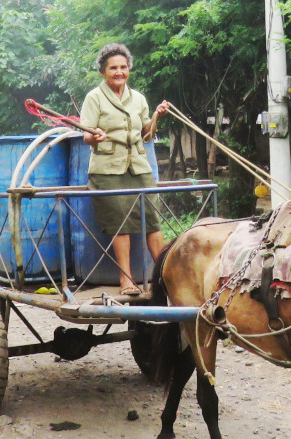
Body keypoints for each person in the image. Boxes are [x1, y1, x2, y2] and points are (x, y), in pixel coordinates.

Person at [80, 43, 170, 296]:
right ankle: (126, 278)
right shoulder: (94, 98)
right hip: (108, 169)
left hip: (139, 166)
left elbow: (146, 136)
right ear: (103, 72)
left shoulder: (138, 98)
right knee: (121, 224)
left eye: (123, 67)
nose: (119, 72)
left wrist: (156, 117)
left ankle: (164, 277)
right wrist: (94, 137)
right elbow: (87, 135)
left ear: (128, 69)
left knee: (152, 219)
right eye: (113, 68)